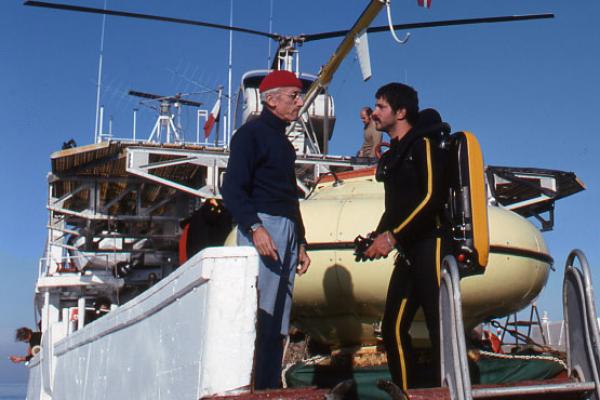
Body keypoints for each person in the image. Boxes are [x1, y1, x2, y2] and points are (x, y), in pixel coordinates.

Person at [221, 69, 311, 390]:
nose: (299, 103)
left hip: (285, 229)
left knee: (279, 318)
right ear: (271, 100)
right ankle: (250, 388)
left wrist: (300, 240)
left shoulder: (284, 145)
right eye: (293, 96)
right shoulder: (250, 135)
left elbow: (290, 195)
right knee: (259, 315)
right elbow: (231, 188)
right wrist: (255, 228)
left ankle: (268, 387)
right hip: (264, 226)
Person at [363, 82, 451, 391]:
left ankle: (446, 392)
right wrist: (375, 236)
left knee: (438, 325)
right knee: (392, 328)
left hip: (432, 243)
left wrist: (392, 238)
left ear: (401, 112)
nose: (374, 112)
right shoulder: (395, 156)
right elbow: (394, 209)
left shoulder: (422, 144)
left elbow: (431, 197)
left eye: (381, 107)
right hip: (411, 249)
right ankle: (406, 393)